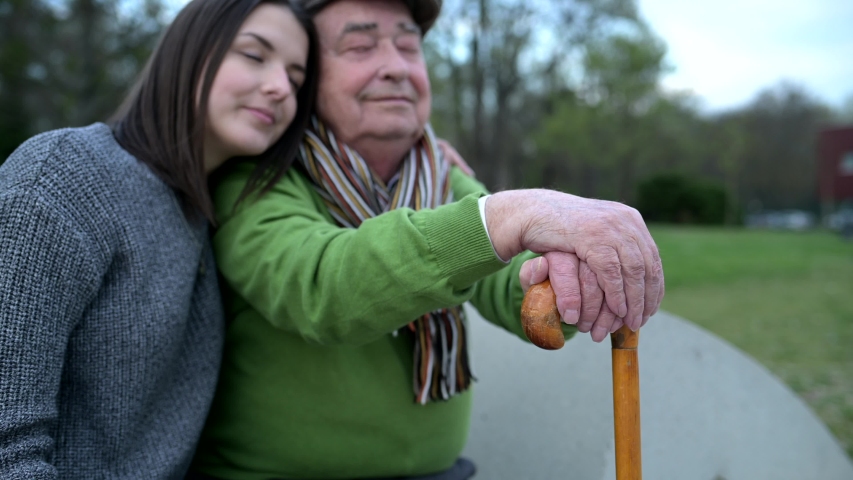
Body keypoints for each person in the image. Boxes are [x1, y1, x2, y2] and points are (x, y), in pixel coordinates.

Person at [189, 0, 663, 478]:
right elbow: (321, 286)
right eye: (359, 46)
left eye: (409, 46)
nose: (395, 67)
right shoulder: (253, 179)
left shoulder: (443, 178)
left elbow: (512, 287)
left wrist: (572, 278)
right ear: (306, 78)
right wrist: (500, 218)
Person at [0, 0, 317, 478]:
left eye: (295, 80)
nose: (279, 88)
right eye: (254, 55)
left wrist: (425, 155)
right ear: (188, 51)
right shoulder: (66, 177)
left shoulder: (208, 215)